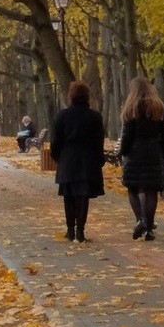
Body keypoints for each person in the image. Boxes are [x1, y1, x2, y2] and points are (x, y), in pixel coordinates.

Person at [50, 80, 105, 241]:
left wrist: (58, 157)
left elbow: (55, 141)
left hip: (68, 159)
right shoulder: (95, 116)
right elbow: (98, 140)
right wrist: (99, 159)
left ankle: (70, 230)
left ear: (71, 96)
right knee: (83, 197)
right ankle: (80, 230)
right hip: (87, 160)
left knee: (69, 196)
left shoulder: (62, 115)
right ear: (87, 97)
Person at [117, 76, 164, 240]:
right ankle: (149, 229)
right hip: (153, 152)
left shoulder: (132, 108)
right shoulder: (158, 107)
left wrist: (122, 151)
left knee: (133, 188)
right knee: (151, 190)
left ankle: (140, 220)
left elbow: (127, 135)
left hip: (135, 152)